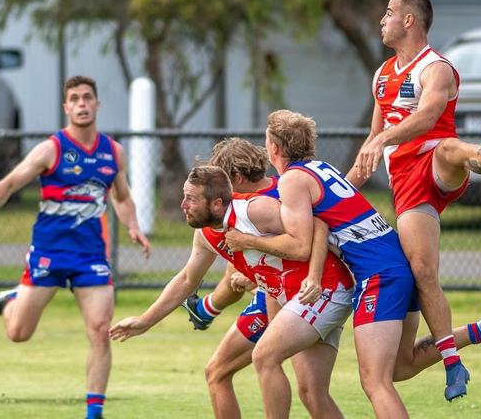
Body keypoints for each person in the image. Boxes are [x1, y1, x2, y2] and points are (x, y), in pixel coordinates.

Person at [224, 109, 481, 418]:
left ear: (275, 147)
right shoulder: (319, 168)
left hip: (379, 275)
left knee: (374, 381)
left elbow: (299, 246)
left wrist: (246, 242)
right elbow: (321, 226)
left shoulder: (293, 180)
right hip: (396, 266)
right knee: (400, 367)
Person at [347, 0, 481, 400]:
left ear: (409, 21)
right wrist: (334, 190)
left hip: (436, 162)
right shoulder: (381, 75)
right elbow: (373, 142)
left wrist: (384, 138)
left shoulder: (436, 68)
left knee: (447, 147)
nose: (382, 19)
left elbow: (427, 117)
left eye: (389, 12)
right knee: (423, 270)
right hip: (405, 181)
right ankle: (455, 358)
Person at [110, 165, 355, 419]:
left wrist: (312, 277)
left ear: (217, 204)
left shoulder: (253, 210)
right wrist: (145, 321)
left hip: (325, 290)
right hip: (293, 300)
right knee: (312, 393)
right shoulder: (205, 234)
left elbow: (317, 225)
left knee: (265, 357)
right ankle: (206, 310)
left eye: (191, 199)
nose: (183, 204)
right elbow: (186, 279)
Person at [0, 75, 151, 419]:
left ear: (97, 105)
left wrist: (133, 227)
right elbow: (11, 181)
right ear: (66, 107)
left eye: (87, 98)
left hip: (90, 257)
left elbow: (123, 197)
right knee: (18, 333)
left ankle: (93, 412)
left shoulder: (113, 152)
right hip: (49, 253)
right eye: (75, 99)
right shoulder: (51, 149)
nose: (82, 104)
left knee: (101, 330)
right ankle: (12, 301)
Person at [181, 138, 280, 333]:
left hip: (293, 291)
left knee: (267, 356)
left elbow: (300, 247)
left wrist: (255, 278)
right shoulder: (238, 205)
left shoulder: (265, 205)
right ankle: (204, 310)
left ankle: (204, 310)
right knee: (235, 266)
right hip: (275, 288)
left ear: (237, 177)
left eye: (224, 181)